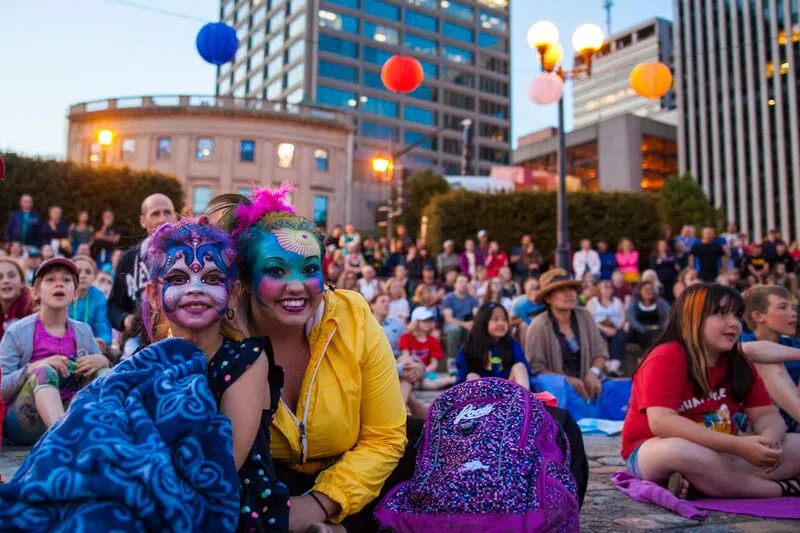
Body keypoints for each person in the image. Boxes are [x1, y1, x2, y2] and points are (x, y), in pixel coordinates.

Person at [209, 184, 407, 531]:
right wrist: (243, 349)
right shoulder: (221, 334)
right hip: (263, 485)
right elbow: (219, 458)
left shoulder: (354, 317)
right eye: (276, 271)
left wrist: (317, 505)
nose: (298, 286)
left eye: (309, 268)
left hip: (356, 482)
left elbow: (385, 437)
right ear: (244, 279)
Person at [141, 217, 290, 531]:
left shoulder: (247, 360)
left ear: (233, 292)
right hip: (152, 497)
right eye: (178, 278)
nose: (195, 289)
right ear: (155, 294)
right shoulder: (144, 363)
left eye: (211, 278)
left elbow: (224, 464)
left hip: (233, 506)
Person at [620, 284, 800, 499]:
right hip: (655, 449)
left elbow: (766, 414)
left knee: (796, 444)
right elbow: (662, 423)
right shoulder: (666, 357)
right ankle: (783, 489)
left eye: (737, 314)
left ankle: (702, 482)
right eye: (721, 314)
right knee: (680, 451)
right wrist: (738, 446)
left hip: (726, 452)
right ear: (691, 319)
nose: (734, 323)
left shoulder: (738, 361)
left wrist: (769, 443)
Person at [0, 258, 109, 445]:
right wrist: (32, 368)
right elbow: (2, 389)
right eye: (50, 279)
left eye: (67, 280)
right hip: (24, 423)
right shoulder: (17, 332)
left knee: (103, 372)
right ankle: (62, 441)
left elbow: (101, 372)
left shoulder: (83, 331)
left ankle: (109, 437)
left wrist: (103, 361)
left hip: (70, 411)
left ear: (75, 293)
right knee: (44, 371)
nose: (59, 283)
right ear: (35, 292)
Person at [524, 269, 610, 419]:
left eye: (571, 289)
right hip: (558, 391)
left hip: (588, 383)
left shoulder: (585, 316)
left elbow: (600, 351)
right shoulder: (538, 325)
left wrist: (592, 373)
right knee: (557, 385)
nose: (569, 294)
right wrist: (567, 381)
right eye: (561, 290)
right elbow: (536, 368)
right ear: (548, 298)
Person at [107, 194, 176, 335]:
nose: (163, 219)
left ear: (175, 217)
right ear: (143, 221)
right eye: (155, 214)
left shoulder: (190, 255)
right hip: (139, 342)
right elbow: (113, 306)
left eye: (167, 212)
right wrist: (125, 319)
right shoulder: (128, 259)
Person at [741, 286, 800, 431]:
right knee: (767, 361)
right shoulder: (742, 341)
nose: (793, 313)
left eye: (793, 308)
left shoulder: (794, 344)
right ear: (758, 316)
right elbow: (751, 350)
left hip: (791, 418)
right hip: (755, 419)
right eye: (783, 307)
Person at [456, 302, 531, 389]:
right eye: (496, 319)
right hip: (482, 394)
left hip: (508, 392)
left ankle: (525, 400)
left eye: (504, 320)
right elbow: (462, 374)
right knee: (472, 376)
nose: (501, 323)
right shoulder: (470, 345)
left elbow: (526, 369)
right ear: (483, 322)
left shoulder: (511, 343)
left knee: (520, 367)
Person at [398, 307, 453, 402]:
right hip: (410, 368)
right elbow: (405, 356)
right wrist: (415, 369)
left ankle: (453, 379)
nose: (428, 323)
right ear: (416, 322)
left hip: (426, 373)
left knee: (429, 383)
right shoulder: (406, 337)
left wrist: (423, 371)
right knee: (408, 364)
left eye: (430, 320)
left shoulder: (433, 340)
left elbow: (434, 363)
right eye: (424, 320)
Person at [69, 255, 113, 348]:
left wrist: (101, 341)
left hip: (91, 347)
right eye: (78, 271)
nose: (83, 275)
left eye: (88, 272)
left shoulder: (99, 296)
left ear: (94, 276)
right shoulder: (62, 293)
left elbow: (103, 328)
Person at [587, 280, 627, 376]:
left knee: (621, 335)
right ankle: (607, 365)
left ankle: (614, 366)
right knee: (600, 336)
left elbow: (623, 317)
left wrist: (616, 328)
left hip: (615, 328)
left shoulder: (618, 301)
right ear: (599, 289)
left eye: (610, 287)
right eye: (605, 287)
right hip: (598, 328)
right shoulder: (593, 301)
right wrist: (604, 329)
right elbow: (590, 319)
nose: (608, 290)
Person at [442, 274, 480, 363]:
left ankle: (473, 361)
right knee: (454, 330)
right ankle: (452, 361)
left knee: (477, 329)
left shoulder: (472, 299)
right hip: (452, 325)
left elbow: (477, 315)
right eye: (460, 282)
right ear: (455, 284)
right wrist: (464, 324)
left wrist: (474, 323)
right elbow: (448, 319)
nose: (463, 284)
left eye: (466, 282)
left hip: (468, 324)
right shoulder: (449, 298)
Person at [626, 281, 670, 351]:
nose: (649, 291)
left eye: (651, 289)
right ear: (640, 291)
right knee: (649, 337)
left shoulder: (661, 302)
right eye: (646, 289)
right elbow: (631, 319)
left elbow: (669, 315)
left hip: (658, 329)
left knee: (657, 336)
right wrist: (643, 328)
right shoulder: (634, 303)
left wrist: (663, 327)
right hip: (640, 330)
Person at [0, 258, 34, 339]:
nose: (5, 281)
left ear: (22, 282)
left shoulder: (35, 312)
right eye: (0, 277)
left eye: (11, 276)